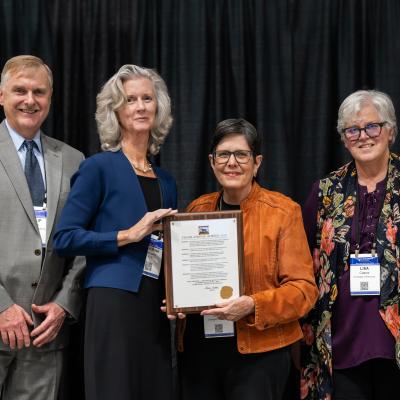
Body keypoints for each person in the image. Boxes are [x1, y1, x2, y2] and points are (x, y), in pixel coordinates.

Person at [53, 64, 177, 400]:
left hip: (156, 308)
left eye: (147, 98)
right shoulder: (98, 167)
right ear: (116, 111)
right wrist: (126, 235)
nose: (140, 106)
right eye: (130, 99)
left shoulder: (166, 180)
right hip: (113, 303)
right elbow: (64, 239)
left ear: (158, 106)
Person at [173, 118, 318, 400]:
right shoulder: (196, 208)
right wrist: (179, 299)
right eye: (224, 154)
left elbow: (303, 290)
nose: (232, 162)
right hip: (200, 354)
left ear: (257, 163)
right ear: (212, 161)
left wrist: (253, 305)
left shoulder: (283, 211)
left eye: (242, 154)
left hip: (259, 356)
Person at [301, 90, 400, 400]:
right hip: (340, 341)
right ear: (344, 139)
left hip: (394, 343)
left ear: (390, 131)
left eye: (372, 126)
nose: (363, 136)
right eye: (352, 130)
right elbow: (303, 258)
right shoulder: (324, 192)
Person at [0, 55, 85, 399]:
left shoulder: (72, 160)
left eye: (39, 91)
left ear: (50, 98)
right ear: (1, 95)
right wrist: (2, 307)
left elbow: (83, 246)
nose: (30, 100)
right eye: (20, 90)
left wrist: (65, 304)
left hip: (44, 335)